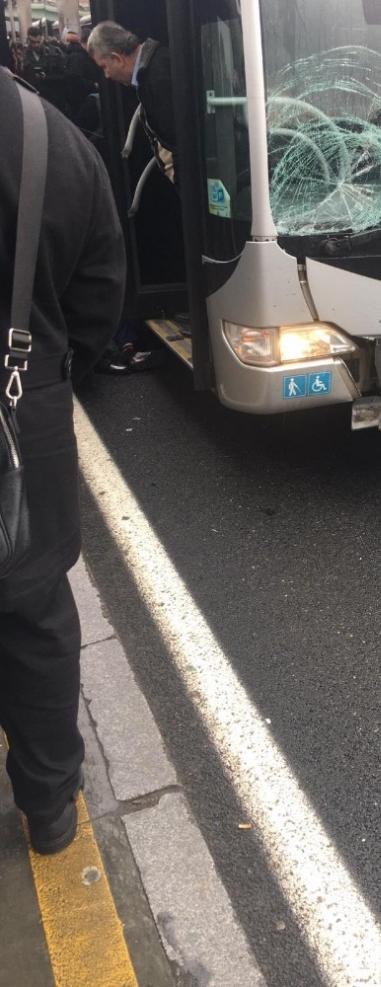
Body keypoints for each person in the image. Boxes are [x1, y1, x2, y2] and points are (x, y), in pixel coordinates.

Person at [0, 69, 126, 854]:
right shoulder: (57, 142)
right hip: (23, 410)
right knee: (33, 612)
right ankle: (48, 808)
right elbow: (99, 294)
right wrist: (44, 371)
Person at [87, 21, 178, 183]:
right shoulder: (155, 65)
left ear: (117, 58)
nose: (106, 75)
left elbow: (179, 143)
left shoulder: (157, 81)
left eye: (104, 67)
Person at [22, 26, 67, 113]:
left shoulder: (54, 53)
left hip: (53, 98)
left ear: (42, 38)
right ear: (28, 40)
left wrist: (47, 77)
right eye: (33, 42)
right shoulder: (23, 56)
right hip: (33, 99)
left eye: (38, 41)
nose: (36, 45)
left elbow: (64, 76)